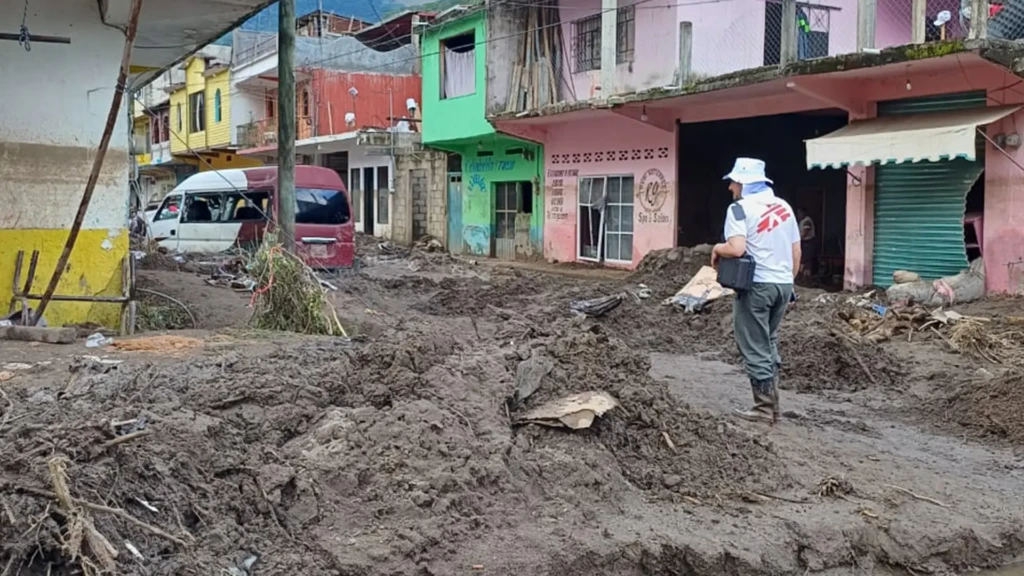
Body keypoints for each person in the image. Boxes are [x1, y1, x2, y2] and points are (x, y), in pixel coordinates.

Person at [711, 158, 801, 424]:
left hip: (757, 285)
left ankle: (763, 408)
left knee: (754, 345)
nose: (730, 187)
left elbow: (737, 248)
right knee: (769, 341)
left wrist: (716, 249)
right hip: (783, 285)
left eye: (734, 182)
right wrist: (789, 282)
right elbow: (796, 250)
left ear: (744, 183)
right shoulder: (784, 207)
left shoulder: (739, 209)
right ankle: (773, 406)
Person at [796, 207, 817, 278]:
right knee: (803, 260)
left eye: (799, 213)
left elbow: (804, 233)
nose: (798, 215)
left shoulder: (807, 221)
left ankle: (807, 277)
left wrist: (796, 241)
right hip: (804, 243)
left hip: (808, 243)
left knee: (806, 260)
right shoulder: (801, 221)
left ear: (803, 213)